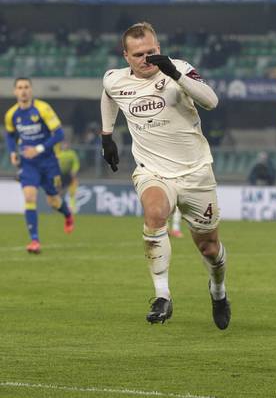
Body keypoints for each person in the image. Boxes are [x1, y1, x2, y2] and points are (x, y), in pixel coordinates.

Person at [99, 22, 230, 328]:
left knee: (209, 248)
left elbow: (211, 101)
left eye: (151, 52)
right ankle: (162, 296)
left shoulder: (178, 69)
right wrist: (106, 134)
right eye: (138, 54)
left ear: (158, 48)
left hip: (196, 172)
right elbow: (108, 94)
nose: (146, 59)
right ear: (126, 56)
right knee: (155, 213)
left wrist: (173, 72)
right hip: (153, 170)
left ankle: (218, 289)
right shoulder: (114, 79)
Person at [4, 78, 74, 254]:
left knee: (53, 201)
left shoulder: (43, 108)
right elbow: (10, 135)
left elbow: (59, 134)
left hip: (49, 161)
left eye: (26, 87)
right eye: (20, 88)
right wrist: (13, 152)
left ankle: (67, 214)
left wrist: (39, 148)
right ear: (15, 92)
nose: (23, 91)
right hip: (28, 163)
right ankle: (34, 240)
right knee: (29, 197)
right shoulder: (12, 114)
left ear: (31, 90)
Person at [57, 141, 80, 213]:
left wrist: (74, 170)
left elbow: (76, 163)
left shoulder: (72, 154)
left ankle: (72, 208)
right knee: (59, 192)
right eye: (64, 144)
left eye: (66, 144)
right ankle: (58, 207)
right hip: (60, 175)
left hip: (69, 175)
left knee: (72, 192)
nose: (65, 146)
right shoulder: (58, 153)